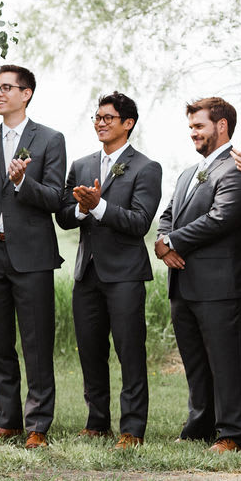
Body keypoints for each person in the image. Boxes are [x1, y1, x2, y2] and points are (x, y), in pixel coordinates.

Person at [0, 64, 66, 450]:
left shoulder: (50, 140)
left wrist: (22, 181)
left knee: (37, 342)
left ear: (27, 93)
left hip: (32, 255)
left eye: (7, 87)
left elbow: (56, 198)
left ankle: (38, 425)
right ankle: (6, 422)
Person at [56, 92, 161, 449]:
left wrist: (99, 206)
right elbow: (64, 216)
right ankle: (96, 422)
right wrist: (83, 210)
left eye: (108, 118)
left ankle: (132, 430)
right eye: (97, 117)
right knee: (90, 350)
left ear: (127, 123)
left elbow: (140, 222)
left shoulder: (146, 168)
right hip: (87, 273)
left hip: (126, 276)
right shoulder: (82, 165)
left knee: (130, 352)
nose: (100, 123)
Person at [156, 97, 241, 453]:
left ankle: (233, 433)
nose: (192, 133)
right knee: (195, 363)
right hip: (183, 284)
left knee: (226, 363)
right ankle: (200, 426)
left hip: (220, 285)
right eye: (190, 126)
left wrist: (173, 241)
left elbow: (221, 218)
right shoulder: (187, 173)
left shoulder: (236, 169)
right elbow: (168, 212)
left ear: (221, 126)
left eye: (199, 126)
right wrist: (163, 239)